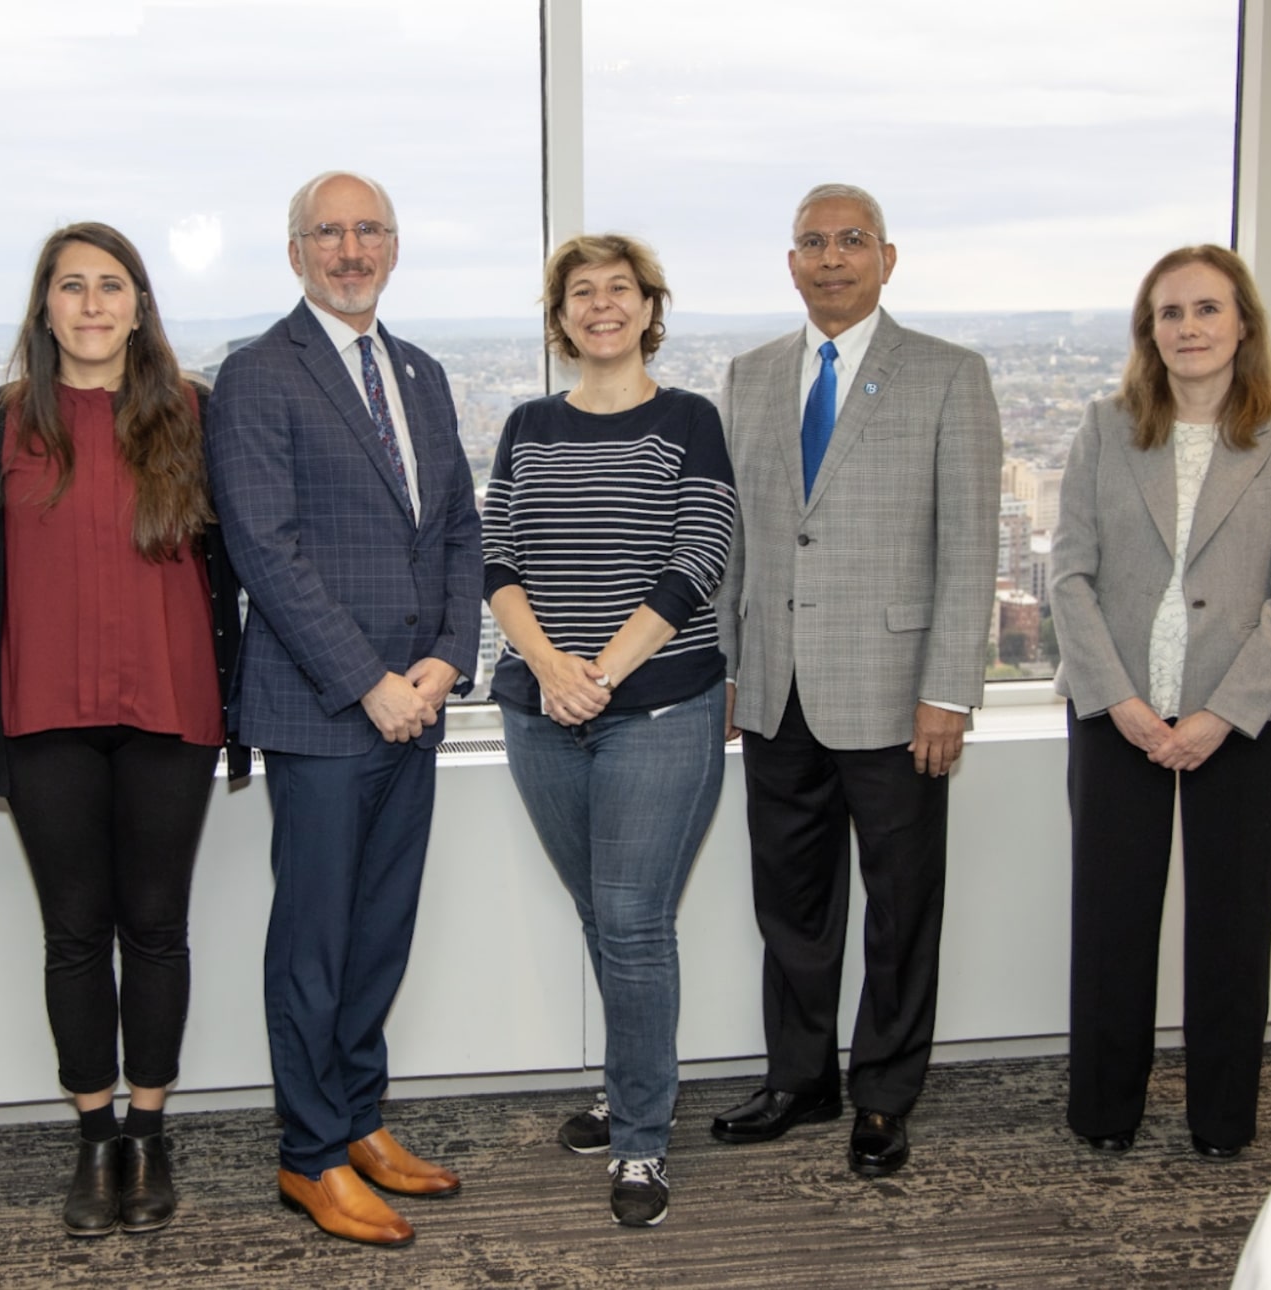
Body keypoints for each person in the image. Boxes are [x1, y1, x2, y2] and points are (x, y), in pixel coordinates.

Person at [205, 170, 482, 1248]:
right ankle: (309, 1154)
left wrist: (445, 665)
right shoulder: (259, 375)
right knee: (314, 941)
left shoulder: (419, 371)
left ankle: (360, 1119)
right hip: (327, 711)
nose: (351, 248)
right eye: (330, 231)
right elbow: (264, 552)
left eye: (369, 230)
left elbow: (458, 527)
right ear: (296, 252)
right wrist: (371, 682)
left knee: (380, 932)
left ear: (394, 248)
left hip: (415, 704)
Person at [0, 223, 245, 1238]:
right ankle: (93, 1139)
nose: (90, 304)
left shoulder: (194, 415)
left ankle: (151, 1130)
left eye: (109, 286)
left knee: (156, 926)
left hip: (173, 709)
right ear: (43, 307)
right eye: (69, 286)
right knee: (75, 933)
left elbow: (243, 560)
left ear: (138, 304)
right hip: (43, 715)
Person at [712, 183, 1002, 1177]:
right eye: (811, 243)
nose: (831, 258)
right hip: (775, 689)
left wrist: (950, 690)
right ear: (789, 262)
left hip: (897, 695)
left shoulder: (947, 376)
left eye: (851, 241)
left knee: (900, 905)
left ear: (887, 256)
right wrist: (728, 670)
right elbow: (737, 538)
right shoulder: (749, 377)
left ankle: (883, 1093)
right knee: (789, 904)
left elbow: (970, 548)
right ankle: (800, 1079)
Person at [1051, 245, 1271, 1161]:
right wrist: (1120, 699)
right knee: (1112, 921)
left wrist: (1220, 713)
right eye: (1171, 313)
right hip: (1115, 711)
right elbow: (1070, 576)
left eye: (1208, 309)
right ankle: (1103, 1112)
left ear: (1242, 322)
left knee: (1233, 926)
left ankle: (1221, 1120)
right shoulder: (1104, 425)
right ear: (1149, 331)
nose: (1190, 328)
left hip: (1241, 715)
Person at [482, 233, 734, 1226]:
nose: (600, 306)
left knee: (632, 923)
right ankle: (634, 1082)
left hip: (661, 707)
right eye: (580, 293)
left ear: (647, 307)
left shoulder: (689, 421)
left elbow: (698, 557)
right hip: (542, 711)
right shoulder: (527, 425)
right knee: (603, 914)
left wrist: (601, 674)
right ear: (561, 317)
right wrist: (551, 671)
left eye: (618, 290)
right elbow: (496, 556)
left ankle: (639, 1142)